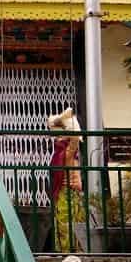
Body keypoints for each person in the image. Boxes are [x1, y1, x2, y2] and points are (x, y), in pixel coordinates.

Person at [47, 108, 84, 252]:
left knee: (68, 227)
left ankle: (70, 255)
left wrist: (66, 120)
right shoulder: (63, 154)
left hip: (67, 195)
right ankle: (68, 254)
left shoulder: (68, 153)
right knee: (66, 227)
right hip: (65, 195)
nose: (56, 137)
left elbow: (74, 139)